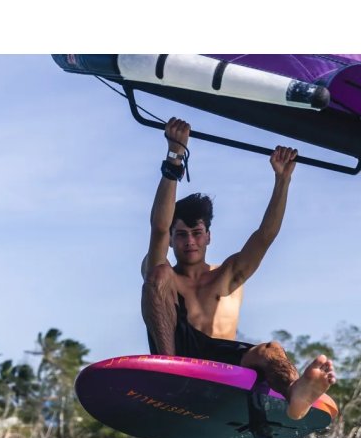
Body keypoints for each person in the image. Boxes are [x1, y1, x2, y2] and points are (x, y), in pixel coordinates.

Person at [141, 117, 336, 420]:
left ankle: (295, 394)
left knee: (271, 350)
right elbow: (158, 228)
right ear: (171, 239)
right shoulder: (165, 275)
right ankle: (171, 373)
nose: (190, 241)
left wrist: (282, 180)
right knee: (158, 273)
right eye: (181, 234)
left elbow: (264, 236)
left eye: (197, 233)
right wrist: (175, 155)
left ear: (208, 236)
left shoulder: (226, 275)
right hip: (175, 355)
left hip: (220, 365)